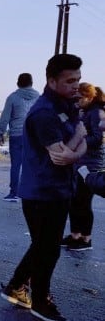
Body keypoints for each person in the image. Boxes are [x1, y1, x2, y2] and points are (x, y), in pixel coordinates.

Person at [0, 53, 87, 321]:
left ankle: (15, 287)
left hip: (58, 188)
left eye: (78, 80)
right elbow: (61, 155)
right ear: (51, 81)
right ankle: (40, 301)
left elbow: (81, 143)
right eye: (70, 80)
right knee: (48, 249)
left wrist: (78, 144)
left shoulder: (66, 104)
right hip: (42, 192)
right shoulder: (44, 112)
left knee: (43, 246)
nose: (76, 86)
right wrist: (79, 141)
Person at [61, 83, 105, 251]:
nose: (77, 101)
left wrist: (77, 141)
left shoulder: (95, 113)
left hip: (90, 164)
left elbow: (96, 138)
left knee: (83, 202)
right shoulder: (85, 111)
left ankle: (86, 239)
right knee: (75, 201)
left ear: (90, 97)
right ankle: (75, 235)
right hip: (80, 162)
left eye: (80, 98)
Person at [0, 73, 39, 202]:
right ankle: (31, 192)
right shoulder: (38, 97)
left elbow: (5, 118)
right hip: (33, 136)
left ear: (18, 83)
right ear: (31, 83)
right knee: (32, 165)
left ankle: (14, 193)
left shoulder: (13, 98)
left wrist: (0, 133)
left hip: (16, 135)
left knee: (16, 165)